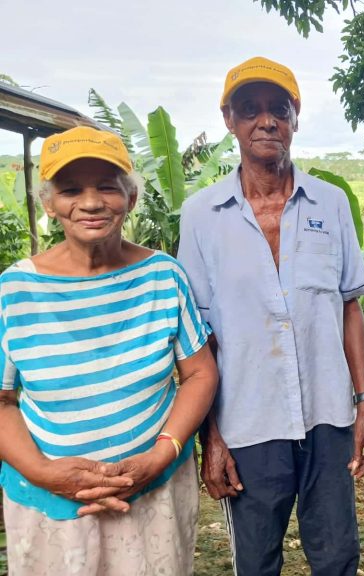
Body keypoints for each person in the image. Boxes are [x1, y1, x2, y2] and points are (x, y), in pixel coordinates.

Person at [177, 56, 364, 576]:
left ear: (296, 118)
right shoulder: (201, 215)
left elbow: (348, 306)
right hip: (248, 424)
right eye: (250, 109)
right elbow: (196, 337)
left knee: (337, 558)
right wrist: (212, 438)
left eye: (280, 110)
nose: (266, 121)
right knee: (257, 562)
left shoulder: (331, 204)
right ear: (230, 120)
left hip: (328, 419)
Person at [0, 126, 218, 575]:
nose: (92, 202)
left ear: (131, 198)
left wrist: (162, 454)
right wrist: (43, 472)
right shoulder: (14, 290)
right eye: (71, 189)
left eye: (107, 187)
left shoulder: (164, 275)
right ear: (49, 203)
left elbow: (199, 374)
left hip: (152, 495)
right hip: (50, 507)